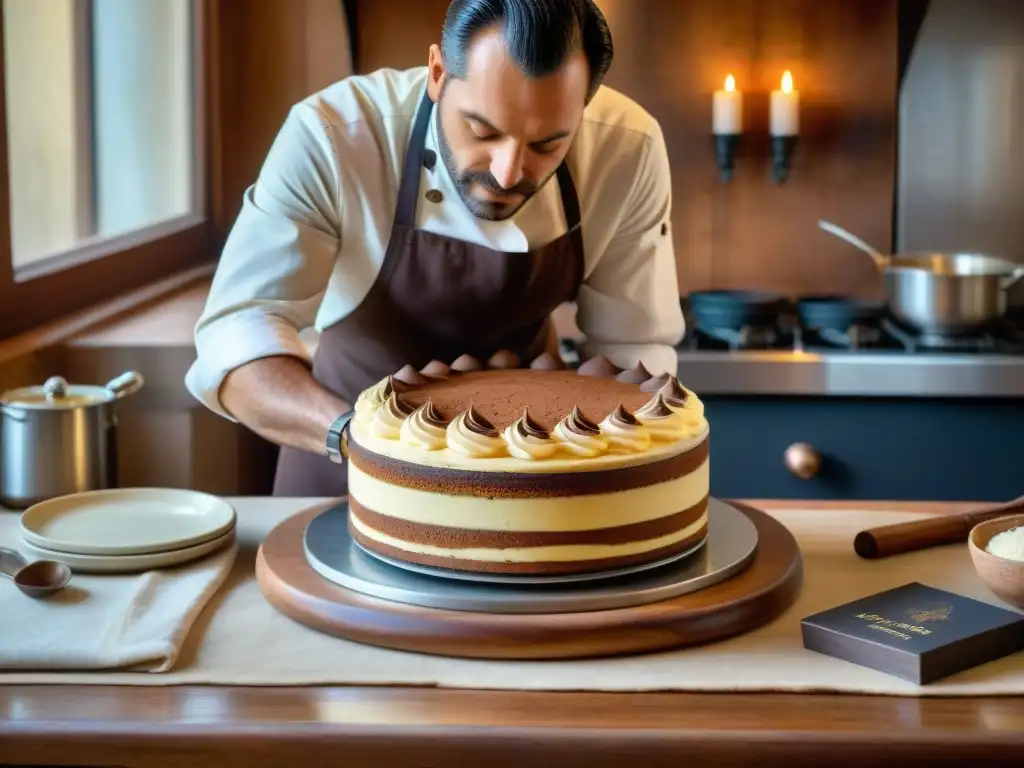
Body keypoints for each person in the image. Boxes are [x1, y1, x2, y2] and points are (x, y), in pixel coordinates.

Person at [185, 0, 685, 497]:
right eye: (482, 131)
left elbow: (634, 350)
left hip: (532, 478)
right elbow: (237, 331)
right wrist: (358, 438)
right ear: (438, 73)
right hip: (344, 461)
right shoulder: (336, 135)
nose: (507, 172)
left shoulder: (628, 147)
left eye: (547, 146)